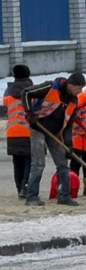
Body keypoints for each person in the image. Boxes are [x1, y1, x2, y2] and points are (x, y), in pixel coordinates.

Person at [21, 72, 86, 206]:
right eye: (79, 88)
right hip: (38, 128)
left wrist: (68, 145)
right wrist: (29, 113)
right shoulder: (50, 87)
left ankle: (64, 196)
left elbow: (69, 125)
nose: (80, 91)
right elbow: (26, 93)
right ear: (71, 84)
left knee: (62, 164)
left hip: (55, 133)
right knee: (38, 164)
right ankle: (32, 197)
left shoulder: (73, 102)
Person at [4, 65, 34, 198]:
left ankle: (18, 188)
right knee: (29, 161)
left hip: (12, 133)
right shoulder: (33, 91)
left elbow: (5, 103)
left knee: (17, 162)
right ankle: (25, 186)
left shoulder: (8, 92)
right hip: (28, 132)